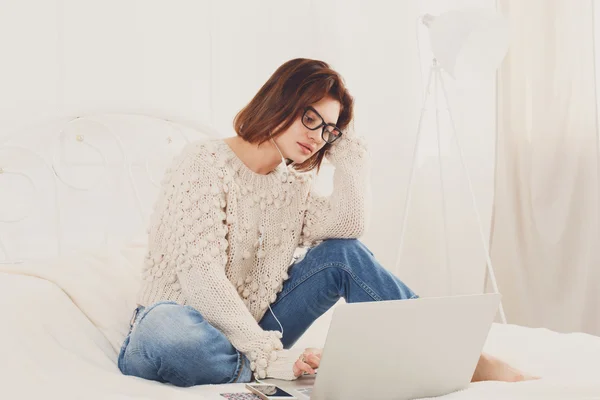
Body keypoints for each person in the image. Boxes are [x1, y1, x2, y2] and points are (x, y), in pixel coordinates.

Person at [117, 58, 537, 387]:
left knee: (343, 255)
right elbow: (201, 278)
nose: (317, 136)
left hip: (254, 332)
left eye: (329, 130)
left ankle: (461, 356)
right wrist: (272, 356)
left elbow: (349, 226)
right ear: (280, 101)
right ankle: (260, 369)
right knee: (167, 330)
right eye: (310, 118)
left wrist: (349, 151)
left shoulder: (291, 188)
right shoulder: (203, 163)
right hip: (186, 325)